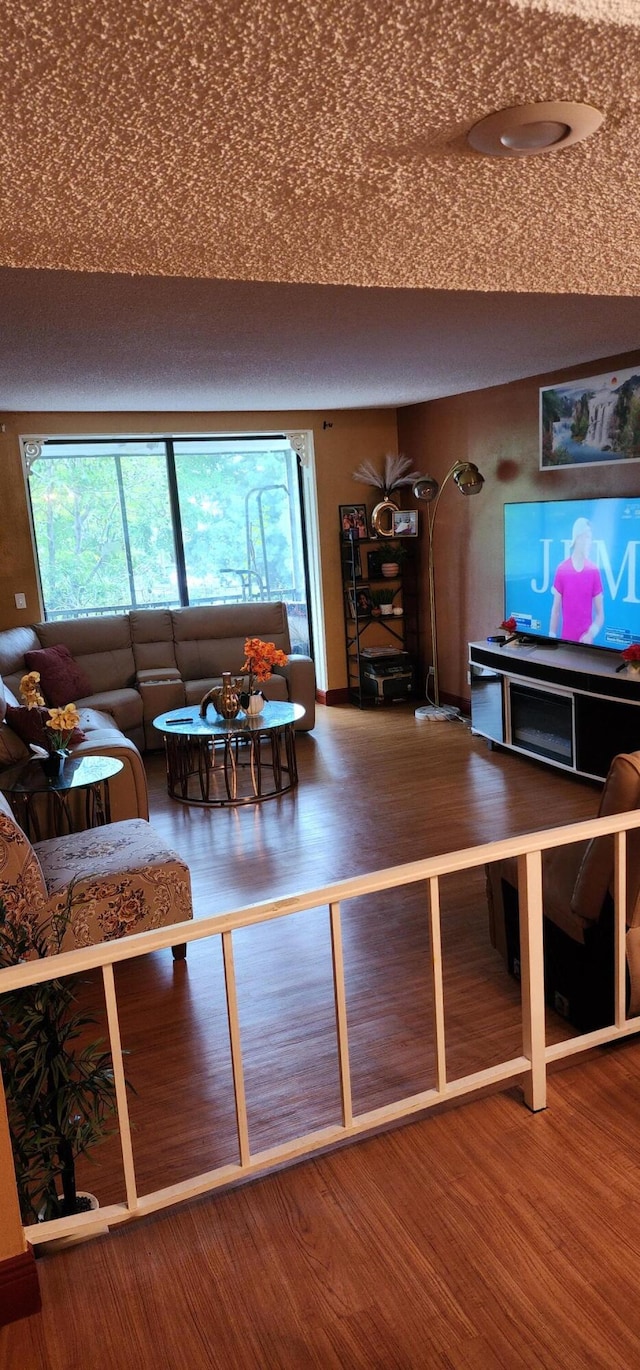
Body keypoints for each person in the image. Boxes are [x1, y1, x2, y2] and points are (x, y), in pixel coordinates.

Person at [549, 517, 604, 645]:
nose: (588, 542)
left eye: (590, 538)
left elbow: (600, 614)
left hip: (588, 648)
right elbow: (555, 611)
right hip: (564, 646)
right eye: (586, 537)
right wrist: (551, 637)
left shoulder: (593, 570)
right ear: (577, 538)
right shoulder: (562, 569)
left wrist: (590, 634)